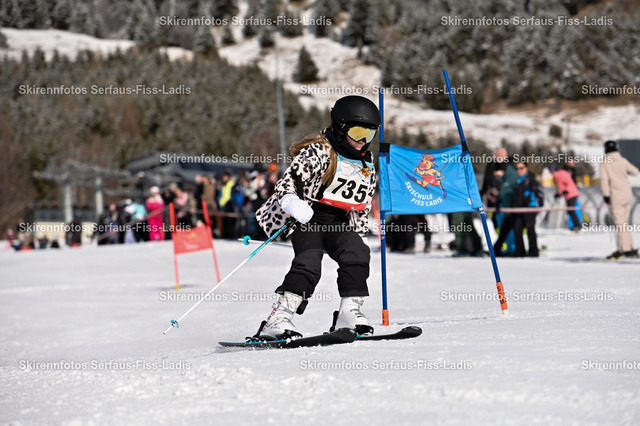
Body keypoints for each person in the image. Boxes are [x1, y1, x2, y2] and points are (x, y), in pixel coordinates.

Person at [254, 95, 380, 339]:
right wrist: (293, 203)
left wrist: (360, 234)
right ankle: (277, 318)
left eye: (369, 134)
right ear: (341, 128)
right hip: (307, 219)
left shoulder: (365, 161)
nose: (362, 141)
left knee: (357, 253)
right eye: (357, 133)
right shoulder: (319, 150)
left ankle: (349, 312)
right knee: (309, 262)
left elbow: (361, 203)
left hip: (338, 222)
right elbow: (286, 184)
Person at [600, 140, 640, 259]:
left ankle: (625, 249)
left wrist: (606, 195)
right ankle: (628, 247)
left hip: (615, 196)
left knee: (619, 224)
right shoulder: (622, 160)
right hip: (626, 195)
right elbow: (635, 172)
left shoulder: (605, 163)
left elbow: (604, 180)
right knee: (625, 223)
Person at [512, 161, 543, 257]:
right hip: (519, 210)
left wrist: (539, 204)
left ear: (526, 168)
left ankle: (533, 252)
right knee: (517, 230)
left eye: (521, 168)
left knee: (530, 230)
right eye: (517, 168)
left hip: (529, 209)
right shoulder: (517, 181)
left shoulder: (530, 179)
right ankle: (519, 252)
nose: (519, 170)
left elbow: (539, 192)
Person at [553, 166, 582, 231]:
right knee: (570, 210)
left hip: (572, 193)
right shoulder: (557, 177)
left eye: (553, 171)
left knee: (571, 210)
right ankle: (575, 225)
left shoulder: (561, 174)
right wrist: (559, 193)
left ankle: (577, 225)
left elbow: (568, 182)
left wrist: (566, 190)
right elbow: (561, 187)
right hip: (568, 194)